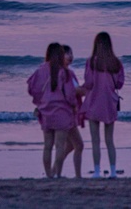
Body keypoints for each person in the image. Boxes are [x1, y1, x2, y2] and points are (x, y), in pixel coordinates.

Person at [28, 43, 81, 177]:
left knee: (47, 146)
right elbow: (70, 95)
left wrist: (40, 102)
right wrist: (74, 105)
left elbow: (32, 88)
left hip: (45, 112)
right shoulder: (65, 72)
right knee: (60, 146)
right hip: (62, 112)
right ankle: (57, 175)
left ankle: (49, 175)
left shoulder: (40, 70)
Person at [81, 32, 125, 178]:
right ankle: (113, 171)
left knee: (95, 140)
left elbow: (89, 83)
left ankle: (97, 171)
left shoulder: (91, 62)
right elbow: (120, 83)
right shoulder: (116, 63)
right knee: (110, 140)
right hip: (109, 103)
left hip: (94, 102)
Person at [62, 45, 84, 179]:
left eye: (71, 53)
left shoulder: (69, 72)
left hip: (69, 112)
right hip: (67, 113)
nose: (70, 56)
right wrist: (89, 90)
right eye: (67, 54)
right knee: (79, 145)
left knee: (70, 145)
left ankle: (54, 169)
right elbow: (74, 91)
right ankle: (78, 176)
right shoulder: (65, 74)